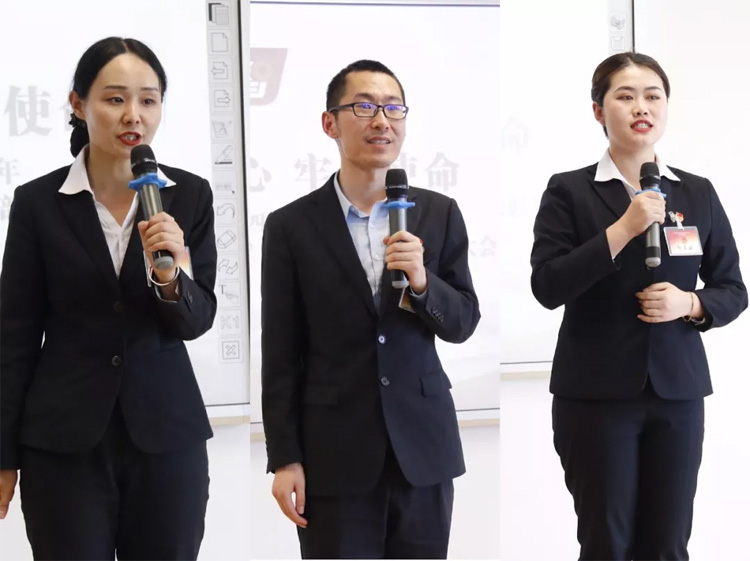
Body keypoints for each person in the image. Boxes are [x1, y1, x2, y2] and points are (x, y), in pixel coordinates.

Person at [0, 37, 217, 560]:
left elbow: (197, 320)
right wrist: (3, 453)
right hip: (63, 444)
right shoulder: (37, 203)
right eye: (115, 98)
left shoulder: (189, 195)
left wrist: (170, 276)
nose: (133, 115)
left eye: (148, 100)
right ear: (78, 104)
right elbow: (14, 337)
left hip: (167, 438)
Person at [530, 51, 747, 560]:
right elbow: (547, 285)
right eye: (625, 96)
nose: (641, 107)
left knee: (668, 544)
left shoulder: (696, 192)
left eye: (653, 96)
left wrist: (690, 302)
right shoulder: (569, 190)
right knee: (608, 543)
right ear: (598, 110)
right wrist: (624, 228)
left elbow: (733, 289)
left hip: (677, 394)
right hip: (595, 396)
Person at [261, 59, 480, 559]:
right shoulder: (291, 226)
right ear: (330, 123)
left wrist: (422, 283)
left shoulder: (439, 212)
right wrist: (285, 458)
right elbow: (280, 351)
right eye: (364, 106)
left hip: (422, 452)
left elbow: (463, 321)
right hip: (333, 456)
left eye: (393, 108)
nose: (382, 120)